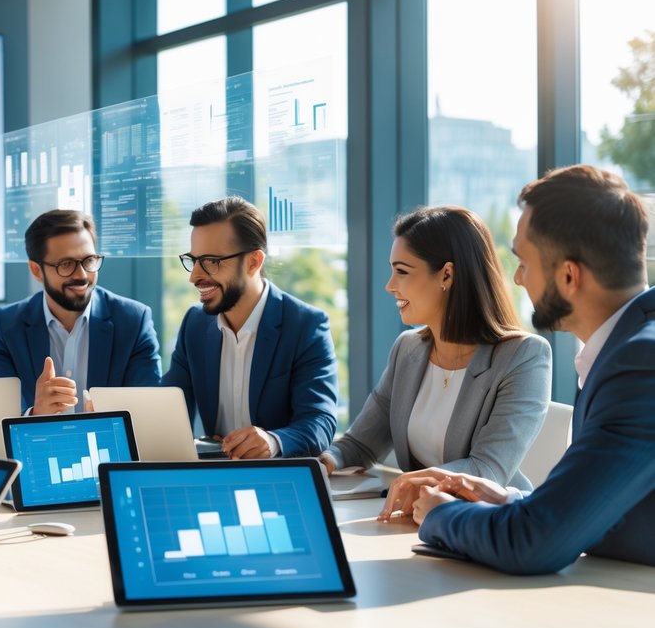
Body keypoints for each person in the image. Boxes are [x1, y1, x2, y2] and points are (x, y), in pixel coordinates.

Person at [397, 165, 655, 574]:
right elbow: (609, 506)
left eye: (524, 263)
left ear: (569, 276)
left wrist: (439, 516)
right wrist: (511, 501)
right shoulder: (624, 349)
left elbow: (534, 542)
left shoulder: (640, 365)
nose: (517, 280)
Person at [319, 206, 551, 493]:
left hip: (482, 523)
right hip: (417, 515)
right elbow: (361, 443)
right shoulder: (408, 348)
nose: (389, 286)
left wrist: (411, 482)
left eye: (402, 271)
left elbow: (487, 469)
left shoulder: (523, 356)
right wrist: (326, 461)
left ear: (446, 275)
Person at [161, 196, 339, 459]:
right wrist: (124, 413)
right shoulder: (195, 325)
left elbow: (320, 423)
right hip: (216, 475)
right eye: (194, 260)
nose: (194, 276)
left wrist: (272, 441)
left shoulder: (305, 325)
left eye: (210, 261)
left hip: (277, 481)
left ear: (254, 262)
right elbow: (169, 408)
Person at [0, 209, 161, 414]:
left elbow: (148, 412)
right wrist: (35, 414)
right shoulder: (5, 326)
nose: (82, 275)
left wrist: (111, 422)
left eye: (89, 260)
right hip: (39, 445)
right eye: (66, 264)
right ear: (36, 270)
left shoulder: (133, 322)